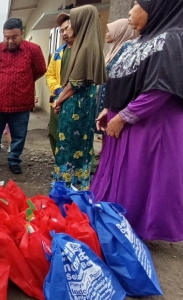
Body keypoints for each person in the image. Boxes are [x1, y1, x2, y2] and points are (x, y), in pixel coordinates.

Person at [92, 0, 183, 242]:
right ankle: (115, 221)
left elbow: (160, 90)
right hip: (124, 120)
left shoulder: (171, 39)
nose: (131, 10)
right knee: (119, 174)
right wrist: (110, 109)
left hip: (147, 126)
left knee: (137, 177)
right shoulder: (141, 40)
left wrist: (123, 115)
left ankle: (134, 228)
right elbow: (126, 82)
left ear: (157, 7)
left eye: (136, 4)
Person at [0, 18, 46, 174]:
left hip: (21, 105)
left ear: (22, 33)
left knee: (18, 136)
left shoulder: (33, 50)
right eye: (6, 37)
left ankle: (14, 160)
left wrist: (25, 81)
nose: (9, 41)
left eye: (14, 37)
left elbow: (40, 70)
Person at [52, 5, 106, 190]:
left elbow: (75, 83)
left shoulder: (86, 47)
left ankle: (68, 186)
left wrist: (58, 101)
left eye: (70, 25)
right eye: (63, 30)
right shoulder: (83, 46)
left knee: (70, 147)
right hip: (81, 105)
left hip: (77, 106)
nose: (66, 32)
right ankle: (74, 185)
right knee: (79, 147)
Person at [45, 13, 75, 157]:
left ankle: (75, 170)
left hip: (75, 101)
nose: (64, 33)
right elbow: (49, 75)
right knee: (54, 133)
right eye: (61, 30)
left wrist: (66, 93)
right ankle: (60, 165)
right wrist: (58, 90)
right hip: (57, 102)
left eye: (67, 29)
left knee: (73, 136)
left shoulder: (85, 52)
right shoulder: (58, 52)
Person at [96, 19, 138, 118]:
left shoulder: (127, 48)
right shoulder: (115, 49)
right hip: (107, 99)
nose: (106, 34)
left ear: (120, 31)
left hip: (114, 103)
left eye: (110, 31)